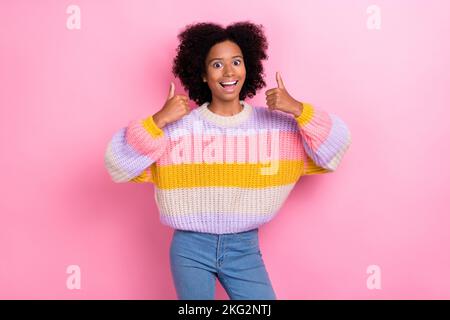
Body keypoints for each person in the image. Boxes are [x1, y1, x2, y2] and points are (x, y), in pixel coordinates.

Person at [104, 21, 351, 300]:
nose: (229, 71)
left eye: (236, 61)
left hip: (244, 248)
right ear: (202, 74)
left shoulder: (276, 128)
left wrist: (297, 109)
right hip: (190, 247)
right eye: (217, 64)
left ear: (249, 67)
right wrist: (158, 120)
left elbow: (335, 148)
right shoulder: (177, 128)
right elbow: (117, 164)